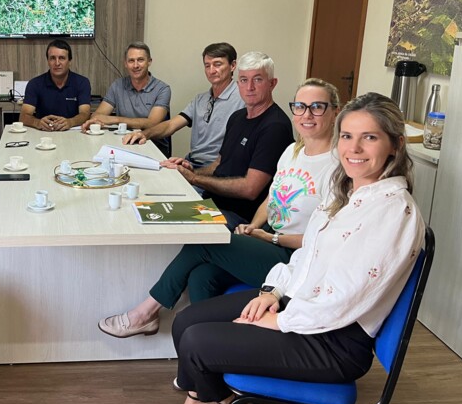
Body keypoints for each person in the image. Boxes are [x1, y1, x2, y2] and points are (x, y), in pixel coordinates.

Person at [161, 92, 425, 404]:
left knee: (197, 341)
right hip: (302, 305)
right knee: (186, 322)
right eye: (347, 136)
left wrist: (279, 321)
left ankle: (200, 401)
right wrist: (273, 292)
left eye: (370, 137)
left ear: (395, 145)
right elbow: (307, 254)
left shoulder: (393, 212)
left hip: (333, 341)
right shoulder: (345, 192)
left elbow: (346, 299)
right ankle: (212, 397)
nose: (354, 148)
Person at [99, 78, 340, 338]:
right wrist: (254, 226)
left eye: (317, 107)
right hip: (268, 237)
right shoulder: (293, 151)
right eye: (300, 106)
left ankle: (145, 312)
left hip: (295, 257)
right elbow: (272, 199)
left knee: (206, 241)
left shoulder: (337, 166)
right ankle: (205, 347)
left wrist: (271, 238)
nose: (306, 114)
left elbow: (324, 239)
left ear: (336, 111)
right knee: (201, 276)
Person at [164, 51, 293, 229]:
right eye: (244, 80)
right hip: (211, 203)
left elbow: (250, 189)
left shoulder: (275, 127)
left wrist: (194, 179)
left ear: (272, 83)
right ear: (238, 83)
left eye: (257, 79)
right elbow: (218, 165)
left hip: (237, 216)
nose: (249, 87)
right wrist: (191, 170)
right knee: (155, 206)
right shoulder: (237, 117)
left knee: (164, 223)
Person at [122, 42, 244, 167]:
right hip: (192, 162)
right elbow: (170, 125)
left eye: (217, 64)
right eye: (207, 65)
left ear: (233, 65)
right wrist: (144, 134)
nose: (211, 71)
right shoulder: (200, 100)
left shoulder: (244, 98)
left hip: (218, 168)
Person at [80, 41, 171, 156]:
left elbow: (152, 123)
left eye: (140, 60)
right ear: (125, 64)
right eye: (131, 61)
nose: (136, 65)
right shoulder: (117, 85)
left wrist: (114, 120)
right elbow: (97, 116)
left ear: (149, 61)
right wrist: (96, 121)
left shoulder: (162, 89)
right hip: (124, 145)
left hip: (153, 148)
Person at [19, 39, 91, 131]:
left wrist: (70, 122)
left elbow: (85, 114)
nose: (57, 63)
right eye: (52, 58)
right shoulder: (35, 84)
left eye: (62, 58)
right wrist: (37, 122)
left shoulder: (82, 82)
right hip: (43, 133)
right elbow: (23, 116)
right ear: (48, 61)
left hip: (72, 132)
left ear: (69, 61)